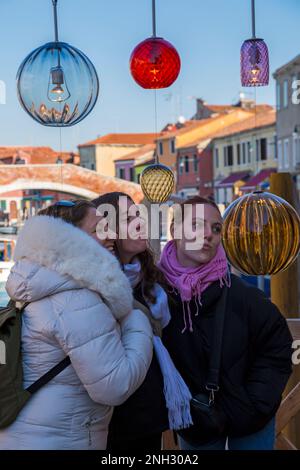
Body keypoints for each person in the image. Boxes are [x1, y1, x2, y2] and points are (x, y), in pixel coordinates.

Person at [0, 199, 153, 450]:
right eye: (99, 230)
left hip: (24, 434)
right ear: (68, 239)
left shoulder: (37, 286)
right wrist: (137, 322)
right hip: (59, 439)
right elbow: (115, 385)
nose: (111, 235)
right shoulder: (77, 299)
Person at [160, 196, 293, 450]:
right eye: (197, 225)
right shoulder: (156, 294)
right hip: (195, 422)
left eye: (216, 228)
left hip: (251, 422)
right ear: (174, 231)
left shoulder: (244, 296)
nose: (208, 234)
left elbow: (277, 346)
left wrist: (256, 404)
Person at [92, 192, 192, 452]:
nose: (140, 224)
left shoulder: (154, 283)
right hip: (111, 418)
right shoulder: (93, 287)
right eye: (128, 219)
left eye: (138, 216)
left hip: (151, 413)